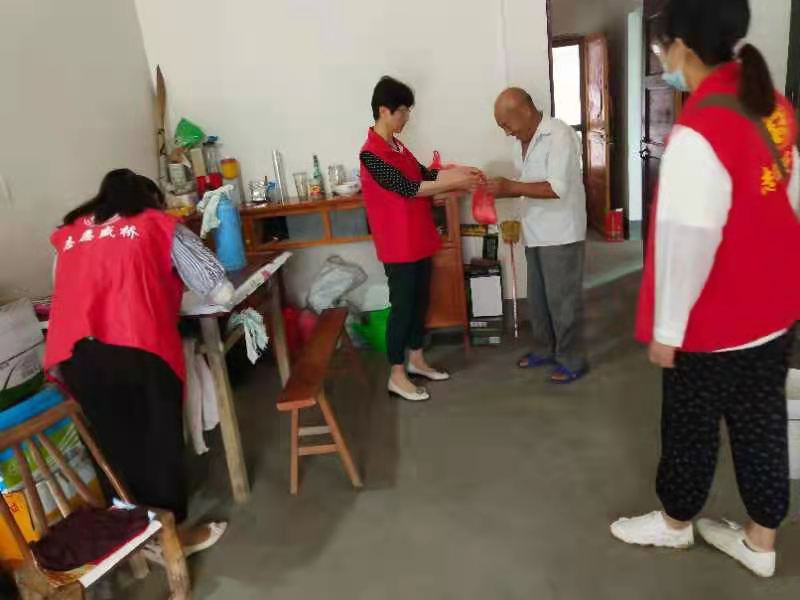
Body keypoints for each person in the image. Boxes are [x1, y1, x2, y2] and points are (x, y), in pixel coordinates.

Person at [610, 0, 800, 578]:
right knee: (761, 423)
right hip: (775, 310)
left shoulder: (701, 130)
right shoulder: (773, 104)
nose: (661, 58)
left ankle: (674, 525)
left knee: (690, 429)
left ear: (682, 48)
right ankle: (761, 542)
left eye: (660, 46)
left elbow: (685, 243)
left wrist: (667, 331)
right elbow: (791, 198)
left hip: (715, 324)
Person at [44, 170, 230, 554]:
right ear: (151, 200)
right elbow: (217, 285)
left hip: (77, 354)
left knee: (112, 449)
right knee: (157, 444)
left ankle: (131, 535)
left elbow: (64, 288)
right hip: (136, 347)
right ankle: (171, 540)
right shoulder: (157, 224)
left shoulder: (70, 233)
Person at [360, 76, 482, 402]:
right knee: (403, 307)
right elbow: (407, 188)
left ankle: (416, 359)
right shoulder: (370, 154)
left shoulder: (398, 147)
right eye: (403, 111)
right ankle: (396, 374)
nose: (407, 117)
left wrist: (462, 173)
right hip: (397, 245)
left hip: (419, 237)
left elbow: (425, 174)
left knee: (420, 302)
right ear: (384, 111)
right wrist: (454, 182)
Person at [488, 88, 589, 383]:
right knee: (539, 300)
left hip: (561, 233)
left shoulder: (559, 135)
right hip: (535, 232)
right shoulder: (522, 141)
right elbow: (527, 184)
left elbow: (557, 188)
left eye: (506, 124)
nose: (506, 132)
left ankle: (571, 360)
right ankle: (545, 349)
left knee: (562, 302)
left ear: (525, 111)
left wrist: (510, 187)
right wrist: (508, 197)